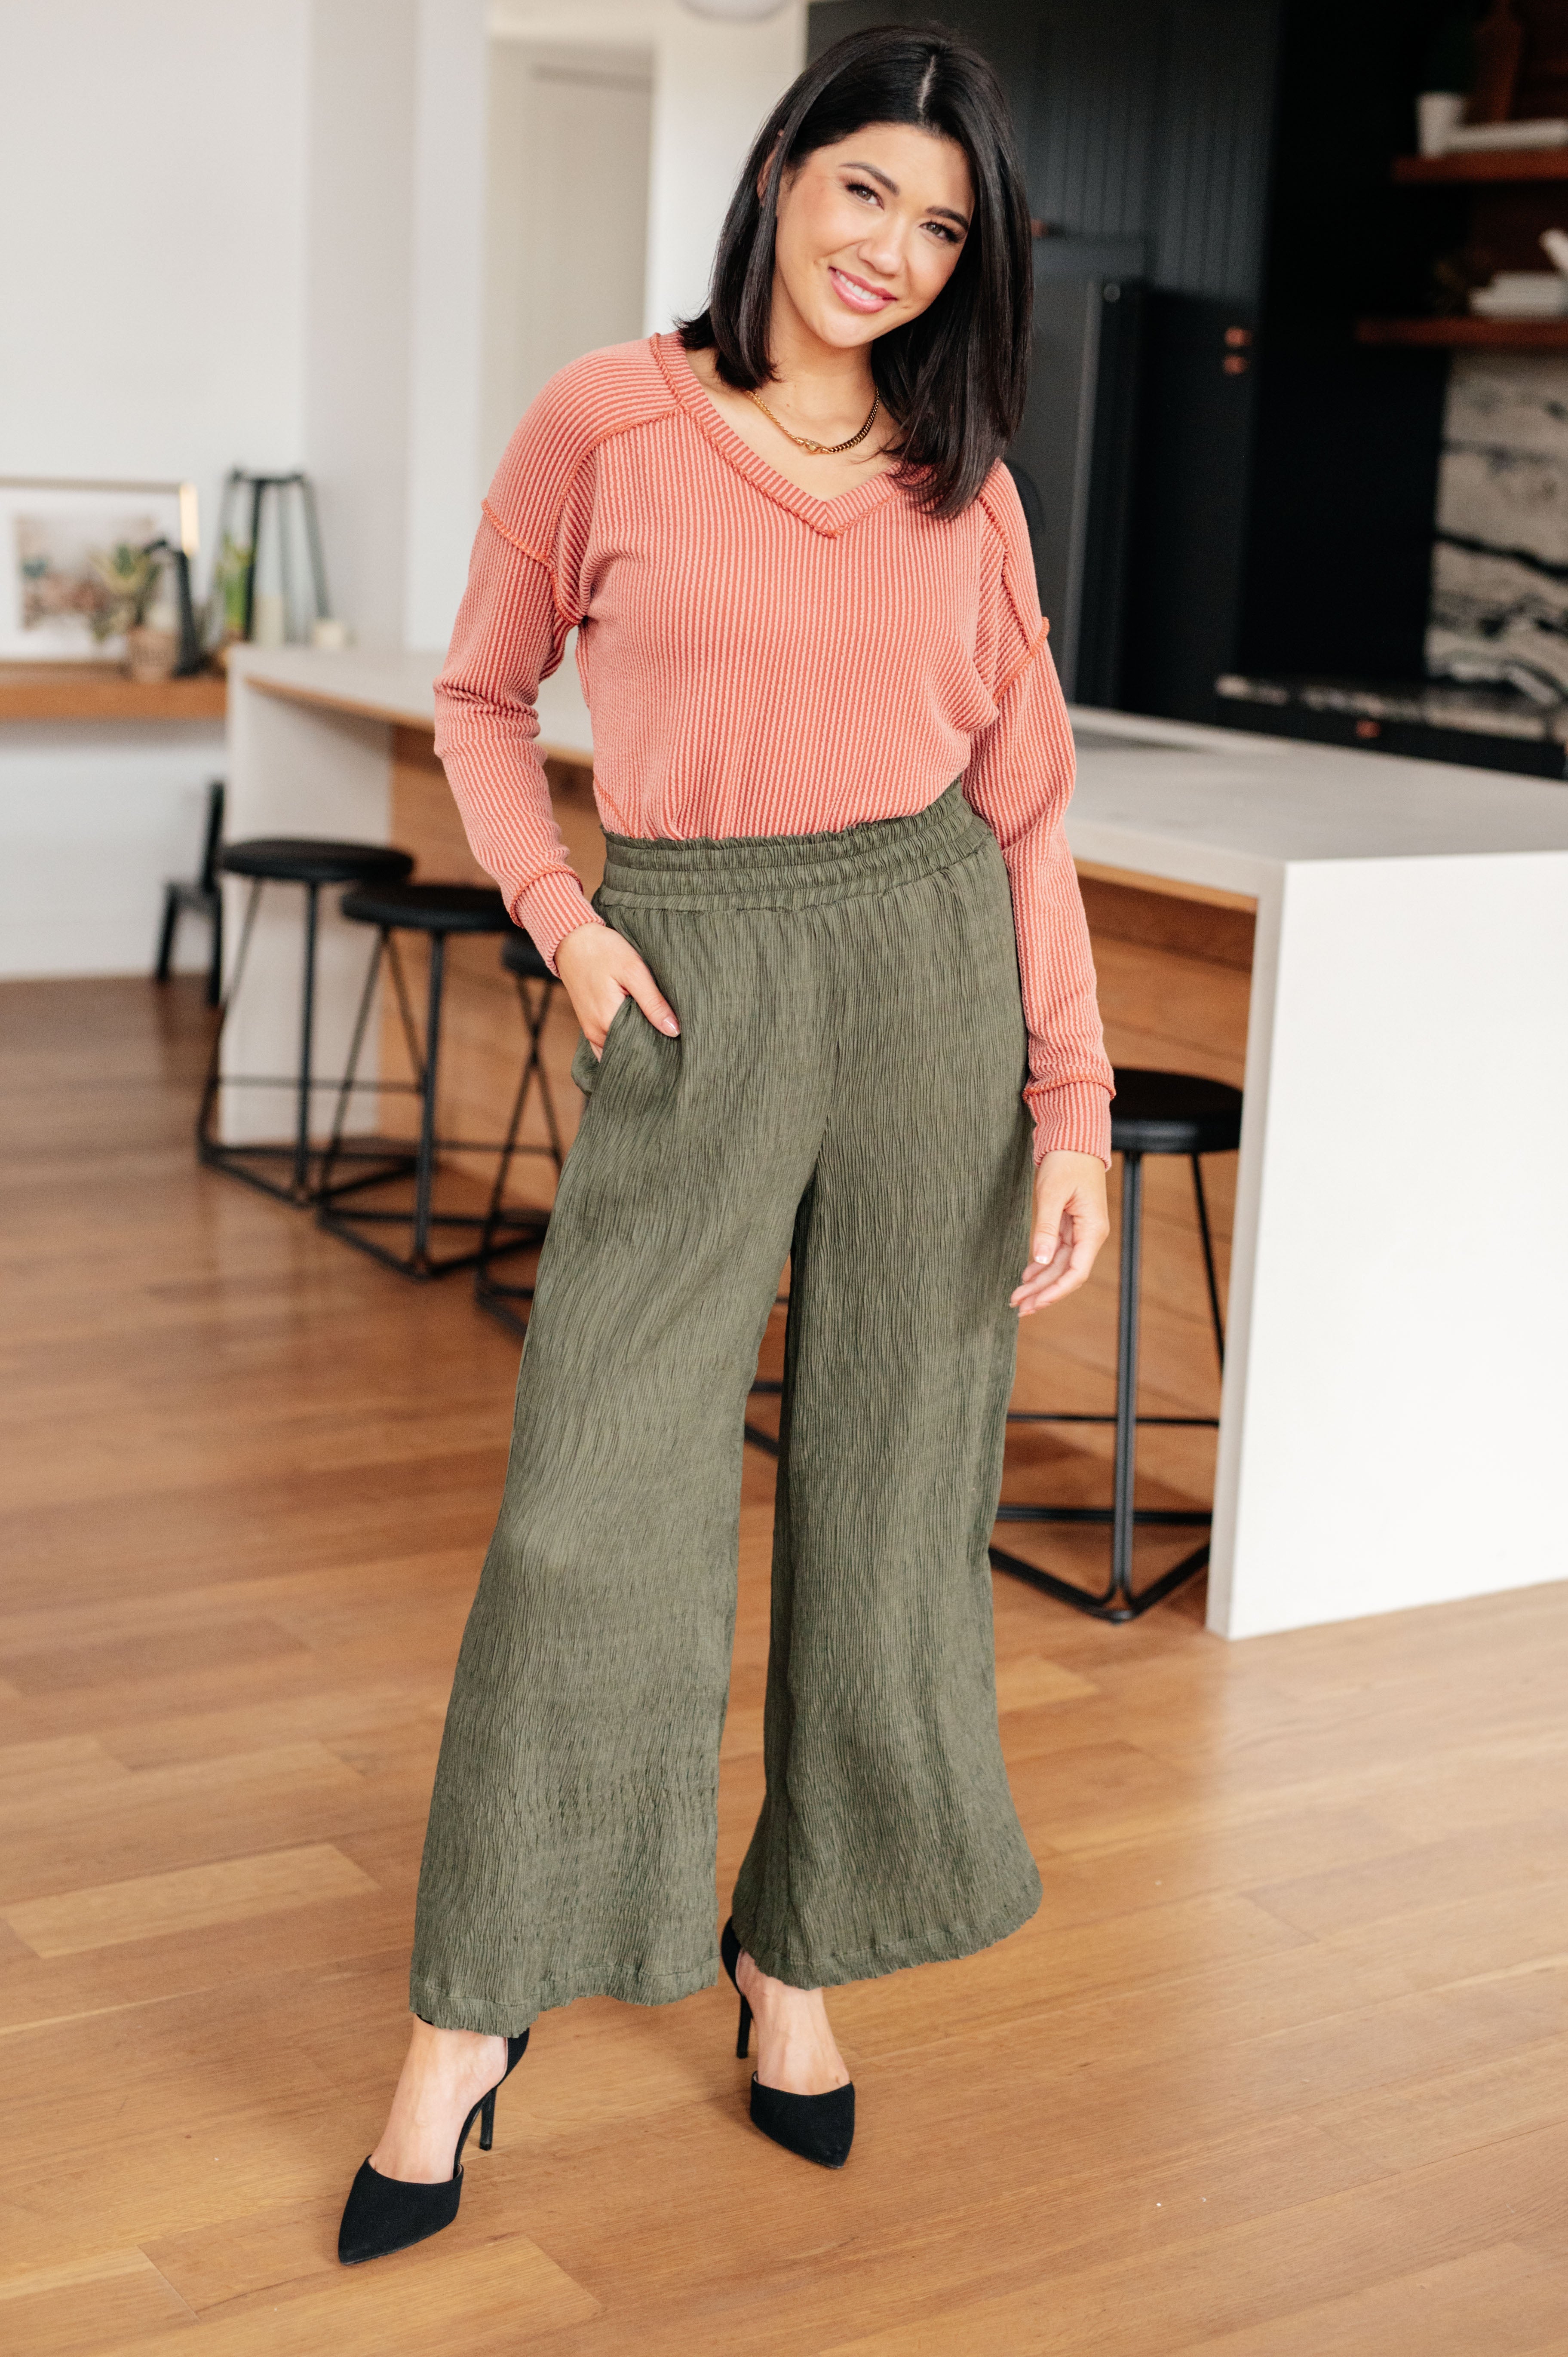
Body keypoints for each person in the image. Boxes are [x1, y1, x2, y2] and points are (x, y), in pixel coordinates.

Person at [337, 21, 1114, 2265]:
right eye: (869, 187)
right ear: (784, 173)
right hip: (684, 973)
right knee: (593, 1509)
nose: (894, 247)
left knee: (890, 1499)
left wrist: (1068, 1098)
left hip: (924, 979)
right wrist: (566, 926)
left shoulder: (964, 478)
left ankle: (804, 1957)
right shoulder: (610, 416)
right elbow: (486, 693)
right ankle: (468, 2023)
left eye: (943, 224)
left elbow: (1029, 807)